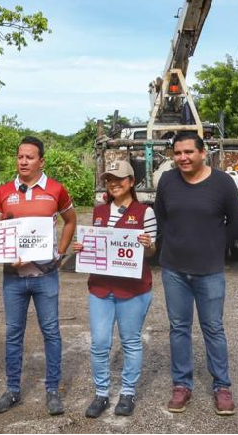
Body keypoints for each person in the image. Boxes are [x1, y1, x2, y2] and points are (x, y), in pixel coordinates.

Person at [154, 130, 238, 416]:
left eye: (188, 152)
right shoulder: (167, 181)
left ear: (203, 153)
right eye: (177, 153)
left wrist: (215, 247)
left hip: (210, 271)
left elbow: (237, 222)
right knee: (179, 328)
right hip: (174, 270)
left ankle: (222, 387)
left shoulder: (222, 183)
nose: (182, 158)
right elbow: (161, 217)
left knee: (213, 328)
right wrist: (174, 244)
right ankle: (182, 385)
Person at [0, 136, 77, 417]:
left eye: (29, 157)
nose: (23, 161)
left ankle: (52, 391)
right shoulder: (3, 192)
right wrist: (2, 245)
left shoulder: (55, 190)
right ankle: (12, 390)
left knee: (51, 332)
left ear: (41, 161)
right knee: (14, 333)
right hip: (13, 275)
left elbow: (70, 220)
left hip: (45, 275)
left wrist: (60, 253)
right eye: (19, 156)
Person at [71, 160, 158, 418]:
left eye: (120, 179)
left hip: (132, 289)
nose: (114, 184)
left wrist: (147, 244)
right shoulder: (99, 213)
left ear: (132, 182)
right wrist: (81, 248)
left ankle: (128, 392)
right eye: (109, 179)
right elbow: (94, 245)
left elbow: (152, 252)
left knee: (130, 341)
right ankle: (101, 394)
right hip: (100, 288)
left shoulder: (145, 212)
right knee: (99, 343)